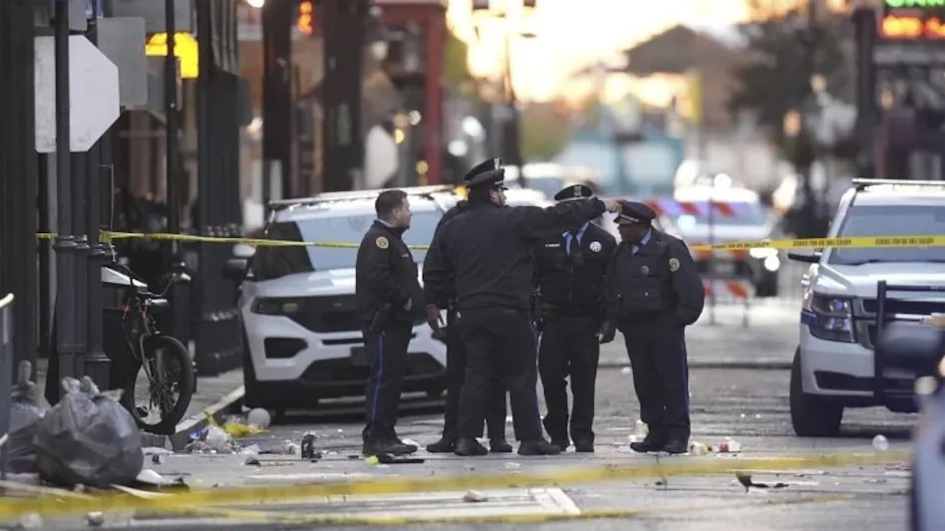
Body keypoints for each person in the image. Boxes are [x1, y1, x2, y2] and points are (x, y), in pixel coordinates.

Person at [424, 158, 622, 456]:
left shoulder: (453, 226)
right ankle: (530, 438)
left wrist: (433, 303)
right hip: (510, 312)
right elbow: (559, 215)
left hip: (472, 312)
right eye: (501, 191)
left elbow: (435, 267)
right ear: (492, 193)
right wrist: (600, 205)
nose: (504, 196)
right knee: (520, 375)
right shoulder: (515, 220)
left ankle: (466, 439)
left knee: (477, 374)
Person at [425, 160, 511, 455]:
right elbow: (435, 263)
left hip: (493, 305)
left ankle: (497, 436)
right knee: (459, 375)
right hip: (461, 306)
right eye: (498, 189)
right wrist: (433, 302)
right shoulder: (454, 218)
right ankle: (453, 434)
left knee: (496, 374)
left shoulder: (505, 217)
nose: (503, 195)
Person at [605, 201, 704, 454]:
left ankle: (677, 435)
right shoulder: (621, 252)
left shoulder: (668, 248)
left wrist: (679, 319)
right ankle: (655, 432)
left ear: (641, 226)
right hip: (635, 327)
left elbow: (689, 286)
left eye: (625, 226)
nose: (620, 231)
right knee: (645, 382)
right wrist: (616, 320)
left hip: (664, 326)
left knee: (672, 381)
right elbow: (613, 287)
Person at [533, 184, 617, 453]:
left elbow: (611, 284)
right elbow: (532, 278)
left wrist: (609, 320)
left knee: (584, 381)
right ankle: (557, 432)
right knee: (551, 378)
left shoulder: (604, 241)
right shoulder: (545, 239)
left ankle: (582, 434)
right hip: (553, 320)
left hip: (586, 321)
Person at [355, 189, 426, 457]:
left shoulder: (391, 239)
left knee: (393, 379)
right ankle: (375, 437)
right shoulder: (379, 240)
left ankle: (387, 433)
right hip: (385, 321)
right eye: (407, 208)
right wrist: (403, 298)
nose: (410, 212)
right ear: (395, 212)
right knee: (384, 378)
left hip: (396, 322)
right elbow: (378, 277)